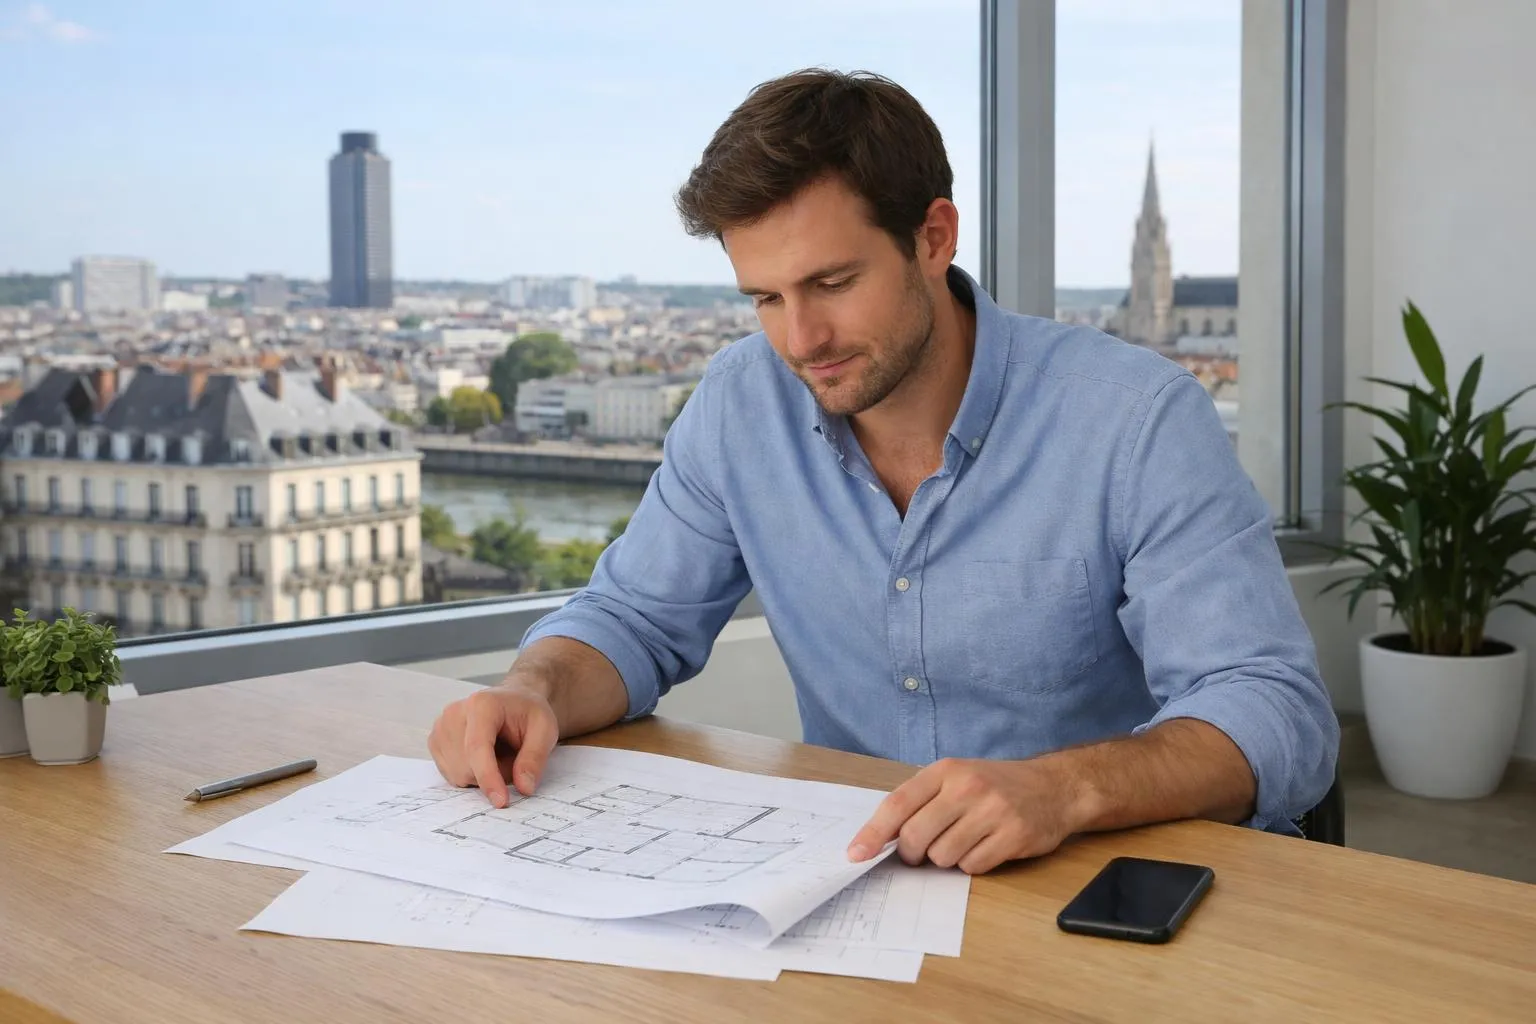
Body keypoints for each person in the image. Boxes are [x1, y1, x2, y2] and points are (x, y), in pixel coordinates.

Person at [428, 69, 1340, 875]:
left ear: (933, 237)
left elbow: (1274, 711)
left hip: (1110, 880)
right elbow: (633, 619)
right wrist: (530, 688)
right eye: (765, 298)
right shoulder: (743, 402)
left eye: (831, 284)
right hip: (864, 883)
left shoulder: (1135, 420)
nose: (799, 340)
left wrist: (1061, 790)